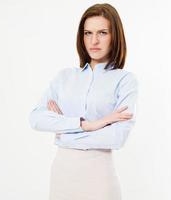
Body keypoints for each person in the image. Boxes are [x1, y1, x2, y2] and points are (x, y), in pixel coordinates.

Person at [28, 3, 138, 200]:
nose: (94, 41)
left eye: (102, 32)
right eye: (88, 33)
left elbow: (116, 137)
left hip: (99, 176)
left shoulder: (125, 80)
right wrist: (88, 124)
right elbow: (36, 119)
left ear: (115, 36)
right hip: (63, 174)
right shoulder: (64, 77)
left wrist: (63, 133)